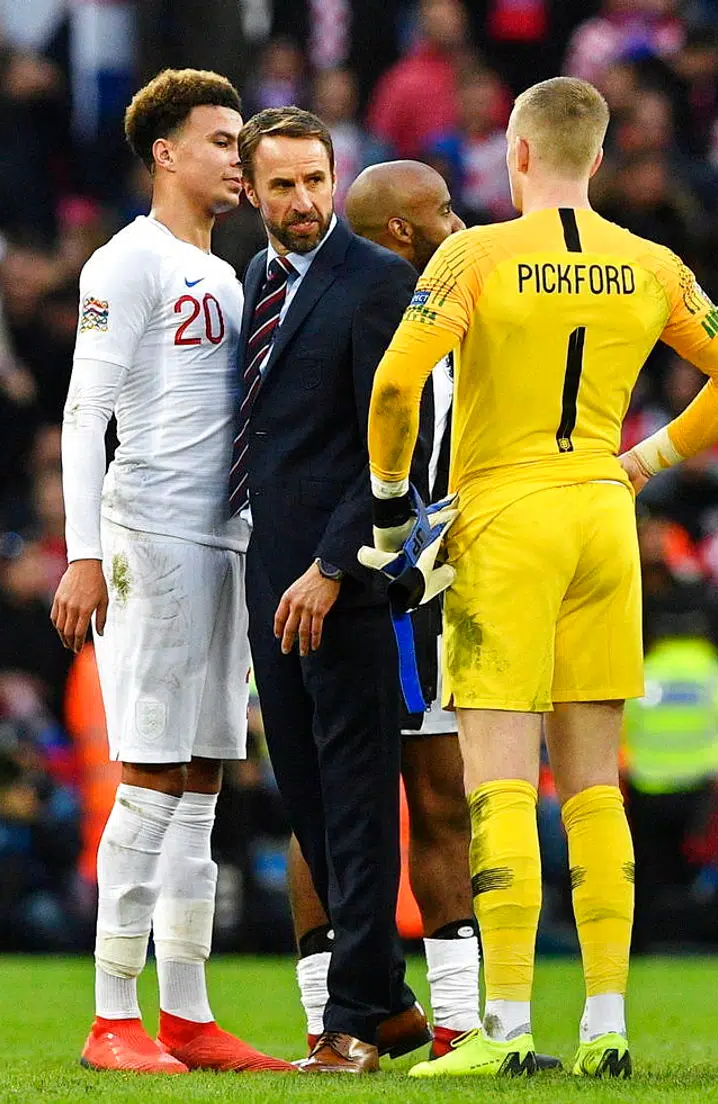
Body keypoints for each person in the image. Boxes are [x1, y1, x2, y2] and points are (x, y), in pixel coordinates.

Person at [364, 76, 718, 1079]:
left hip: (507, 517)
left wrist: (387, 517)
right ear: (596, 157)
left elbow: (393, 382)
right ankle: (606, 1024)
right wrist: (644, 462)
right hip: (602, 512)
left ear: (515, 152)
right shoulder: (651, 263)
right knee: (595, 790)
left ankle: (502, 1029)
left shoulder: (474, 254)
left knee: (500, 776)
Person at [50, 68, 288, 1075]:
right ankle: (113, 1018)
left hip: (221, 541)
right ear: (167, 154)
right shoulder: (127, 262)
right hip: (148, 539)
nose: (239, 158)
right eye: (223, 140)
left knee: (201, 782)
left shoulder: (226, 275)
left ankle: (186, 1013)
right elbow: (80, 412)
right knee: (150, 775)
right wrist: (84, 553)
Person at [231, 108, 423, 1075]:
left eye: (315, 182)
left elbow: (397, 447)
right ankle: (387, 1002)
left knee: (352, 795)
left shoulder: (378, 283)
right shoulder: (250, 285)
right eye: (282, 186)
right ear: (251, 192)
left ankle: (353, 1021)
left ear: (333, 179)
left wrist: (336, 565)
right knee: (305, 794)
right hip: (269, 573)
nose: (303, 202)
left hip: (339, 579)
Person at [277, 158, 481, 1058]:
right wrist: (341, 563)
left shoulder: (465, 308)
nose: (459, 221)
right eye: (441, 210)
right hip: (375, 579)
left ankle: (458, 1023)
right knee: (330, 801)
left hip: (434, 581)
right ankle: (333, 1018)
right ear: (401, 230)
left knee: (439, 798)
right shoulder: (367, 308)